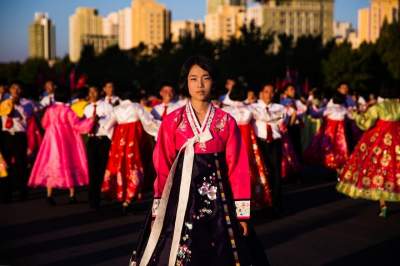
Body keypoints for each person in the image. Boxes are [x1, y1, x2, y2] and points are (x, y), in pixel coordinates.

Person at [131, 56, 268, 266]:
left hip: (219, 203)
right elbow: (163, 167)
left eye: (206, 78)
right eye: (193, 79)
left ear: (213, 82)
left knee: (224, 254)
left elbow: (237, 168)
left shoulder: (226, 121)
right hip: (180, 201)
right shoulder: (172, 122)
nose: (200, 84)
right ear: (185, 82)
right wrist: (159, 209)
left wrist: (242, 215)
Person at [337, 84, 400, 218]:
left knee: (378, 170)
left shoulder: (378, 107)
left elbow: (365, 123)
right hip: (397, 138)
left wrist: (356, 115)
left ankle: (383, 206)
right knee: (396, 169)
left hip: (380, 141)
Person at [28, 89, 95, 205]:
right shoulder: (68, 110)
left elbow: (44, 124)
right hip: (66, 139)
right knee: (68, 162)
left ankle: (49, 195)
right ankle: (72, 195)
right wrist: (90, 121)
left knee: (51, 163)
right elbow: (77, 125)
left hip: (51, 140)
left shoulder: (50, 110)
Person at [102, 91, 160, 214]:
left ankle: (122, 195)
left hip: (119, 142)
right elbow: (148, 122)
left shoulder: (116, 109)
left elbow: (106, 126)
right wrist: (159, 130)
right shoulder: (136, 107)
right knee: (133, 166)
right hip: (133, 142)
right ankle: (129, 198)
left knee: (120, 166)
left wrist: (115, 137)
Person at [223, 82, 272, 208]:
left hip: (230, 142)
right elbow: (266, 118)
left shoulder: (224, 110)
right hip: (246, 141)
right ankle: (247, 204)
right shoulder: (250, 109)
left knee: (230, 170)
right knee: (247, 169)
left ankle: (230, 202)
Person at [251, 84, 287, 213]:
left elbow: (282, 120)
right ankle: (263, 201)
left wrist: (269, 117)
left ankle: (276, 204)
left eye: (272, 92)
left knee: (276, 172)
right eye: (266, 92)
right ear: (261, 93)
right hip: (260, 143)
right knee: (262, 173)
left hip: (275, 142)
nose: (269, 95)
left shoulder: (280, 107)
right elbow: (271, 118)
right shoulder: (252, 107)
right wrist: (273, 118)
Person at [0, 82, 33, 201]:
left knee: (21, 165)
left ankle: (22, 192)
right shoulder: (3, 102)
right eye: (14, 88)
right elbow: (5, 113)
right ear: (10, 90)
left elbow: (26, 115)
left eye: (19, 88)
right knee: (5, 164)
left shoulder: (27, 103)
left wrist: (17, 104)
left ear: (21, 91)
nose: (16, 90)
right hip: (6, 135)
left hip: (19, 135)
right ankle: (5, 193)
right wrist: (10, 104)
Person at [83, 86, 114, 209]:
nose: (92, 93)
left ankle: (103, 194)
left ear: (99, 92)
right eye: (90, 91)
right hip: (92, 140)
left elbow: (112, 122)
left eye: (94, 91)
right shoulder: (87, 108)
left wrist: (100, 121)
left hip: (103, 140)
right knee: (92, 169)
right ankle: (93, 199)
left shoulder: (107, 106)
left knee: (102, 168)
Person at [304, 92, 350, 171]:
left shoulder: (329, 109)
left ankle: (327, 162)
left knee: (326, 146)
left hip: (329, 131)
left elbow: (315, 114)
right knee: (340, 147)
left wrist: (311, 107)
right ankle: (339, 163)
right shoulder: (344, 109)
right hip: (341, 133)